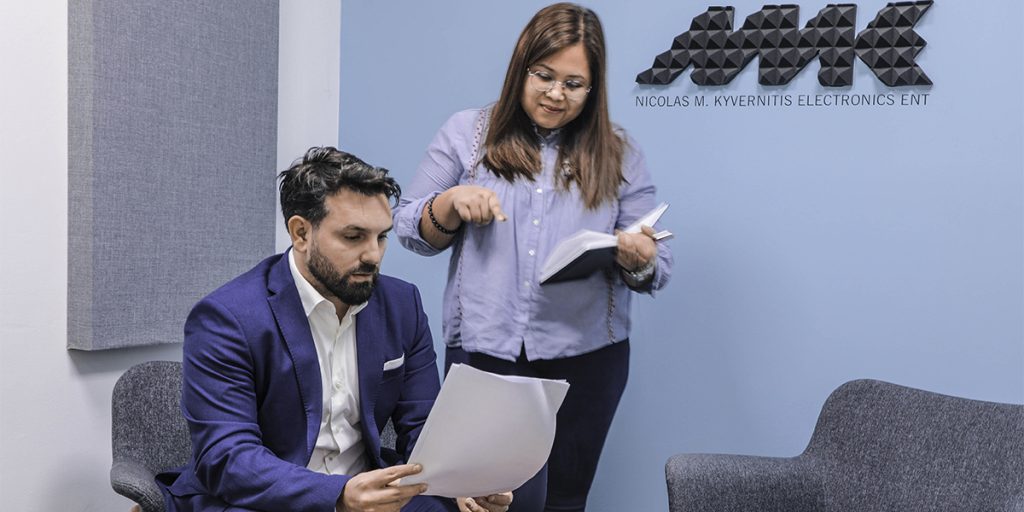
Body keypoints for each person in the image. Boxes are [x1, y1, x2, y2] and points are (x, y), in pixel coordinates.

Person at [393, 3, 673, 511]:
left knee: (564, 499)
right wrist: (449, 203)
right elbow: (410, 228)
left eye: (573, 84)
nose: (555, 94)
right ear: (521, 69)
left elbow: (657, 265)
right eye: (543, 76)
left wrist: (639, 256)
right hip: (484, 351)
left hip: (587, 358)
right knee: (478, 498)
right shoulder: (467, 134)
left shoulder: (619, 153)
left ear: (593, 88)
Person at [157, 147, 512, 512]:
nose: (373, 255)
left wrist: (461, 483)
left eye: (381, 237)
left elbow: (423, 427)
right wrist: (339, 495)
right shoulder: (227, 318)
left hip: (370, 490)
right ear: (301, 233)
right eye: (354, 237)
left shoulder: (401, 305)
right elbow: (228, 457)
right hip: (264, 498)